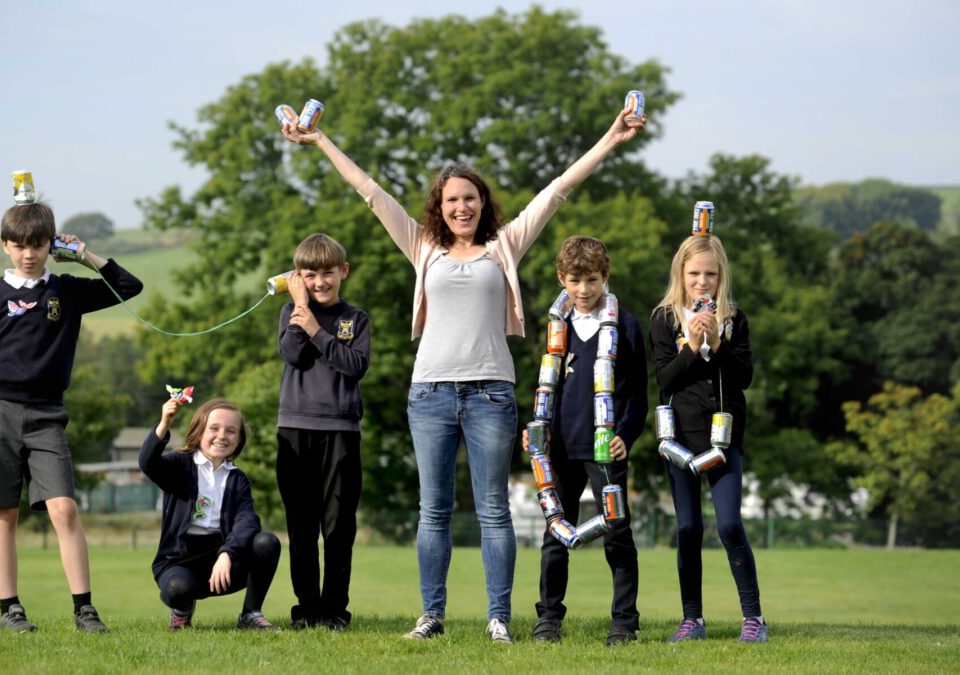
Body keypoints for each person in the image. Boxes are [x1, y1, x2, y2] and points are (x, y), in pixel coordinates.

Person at [282, 104, 644, 643]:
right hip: (428, 393)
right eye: (451, 199)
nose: (461, 207)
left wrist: (611, 140)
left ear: (482, 203)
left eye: (469, 198)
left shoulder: (505, 246)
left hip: (491, 394)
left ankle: (498, 617)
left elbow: (559, 187)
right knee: (434, 511)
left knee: (494, 511)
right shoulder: (422, 247)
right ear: (439, 206)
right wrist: (321, 141)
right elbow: (370, 191)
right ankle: (432, 615)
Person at [0, 201, 143, 633]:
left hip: (47, 415)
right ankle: (10, 611)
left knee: (65, 510)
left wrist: (84, 253)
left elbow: (130, 285)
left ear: (50, 245)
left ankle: (85, 610)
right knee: (4, 513)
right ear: (5, 246)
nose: (28, 254)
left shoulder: (67, 292)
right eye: (19, 246)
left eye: (37, 245)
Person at [649, 235, 767, 644]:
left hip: (723, 436)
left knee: (730, 524)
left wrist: (716, 342)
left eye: (711, 275)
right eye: (695, 273)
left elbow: (743, 378)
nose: (702, 282)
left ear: (721, 277)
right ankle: (692, 618)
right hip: (678, 438)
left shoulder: (734, 318)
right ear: (681, 274)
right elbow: (664, 379)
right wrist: (691, 346)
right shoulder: (663, 319)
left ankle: (753, 618)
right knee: (687, 528)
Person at [529, 236, 647, 646]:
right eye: (575, 280)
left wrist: (626, 436)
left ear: (605, 277)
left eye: (592, 280)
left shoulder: (626, 325)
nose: (584, 289)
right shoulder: (555, 327)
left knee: (617, 533)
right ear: (562, 278)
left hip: (603, 449)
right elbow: (545, 387)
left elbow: (638, 395)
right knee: (554, 535)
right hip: (560, 446)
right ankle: (548, 619)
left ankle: (624, 621)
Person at [276, 233, 370, 630]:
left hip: (341, 431)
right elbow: (292, 355)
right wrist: (301, 310)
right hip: (294, 429)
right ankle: (307, 609)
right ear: (298, 276)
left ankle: (335, 610)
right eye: (310, 275)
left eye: (328, 273)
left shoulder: (356, 319)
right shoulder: (290, 312)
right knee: (301, 526)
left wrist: (316, 327)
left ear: (342, 272)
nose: (320, 282)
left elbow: (355, 365)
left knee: (338, 526)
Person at [140, 397, 282, 631]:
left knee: (267, 542)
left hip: (222, 560)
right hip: (180, 560)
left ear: (239, 439)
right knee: (177, 590)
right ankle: (182, 610)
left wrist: (227, 553)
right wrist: (164, 422)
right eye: (213, 428)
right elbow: (148, 463)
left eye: (231, 431)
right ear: (199, 431)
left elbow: (247, 521)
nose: (222, 435)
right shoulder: (180, 465)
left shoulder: (238, 479)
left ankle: (250, 614)